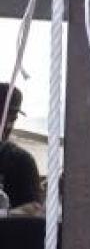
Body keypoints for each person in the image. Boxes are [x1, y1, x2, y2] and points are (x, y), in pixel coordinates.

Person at [0, 84, 42, 212]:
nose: (7, 125)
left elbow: (34, 209)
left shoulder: (21, 161)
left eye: (12, 118)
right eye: (1, 117)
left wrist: (6, 215)